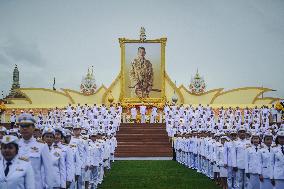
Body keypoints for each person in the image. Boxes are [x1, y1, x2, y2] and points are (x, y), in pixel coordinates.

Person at [17, 113, 54, 189]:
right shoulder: (13, 145)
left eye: (27, 126)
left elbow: (48, 170)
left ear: (33, 128)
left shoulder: (42, 146)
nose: (24, 128)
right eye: (22, 126)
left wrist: (49, 186)